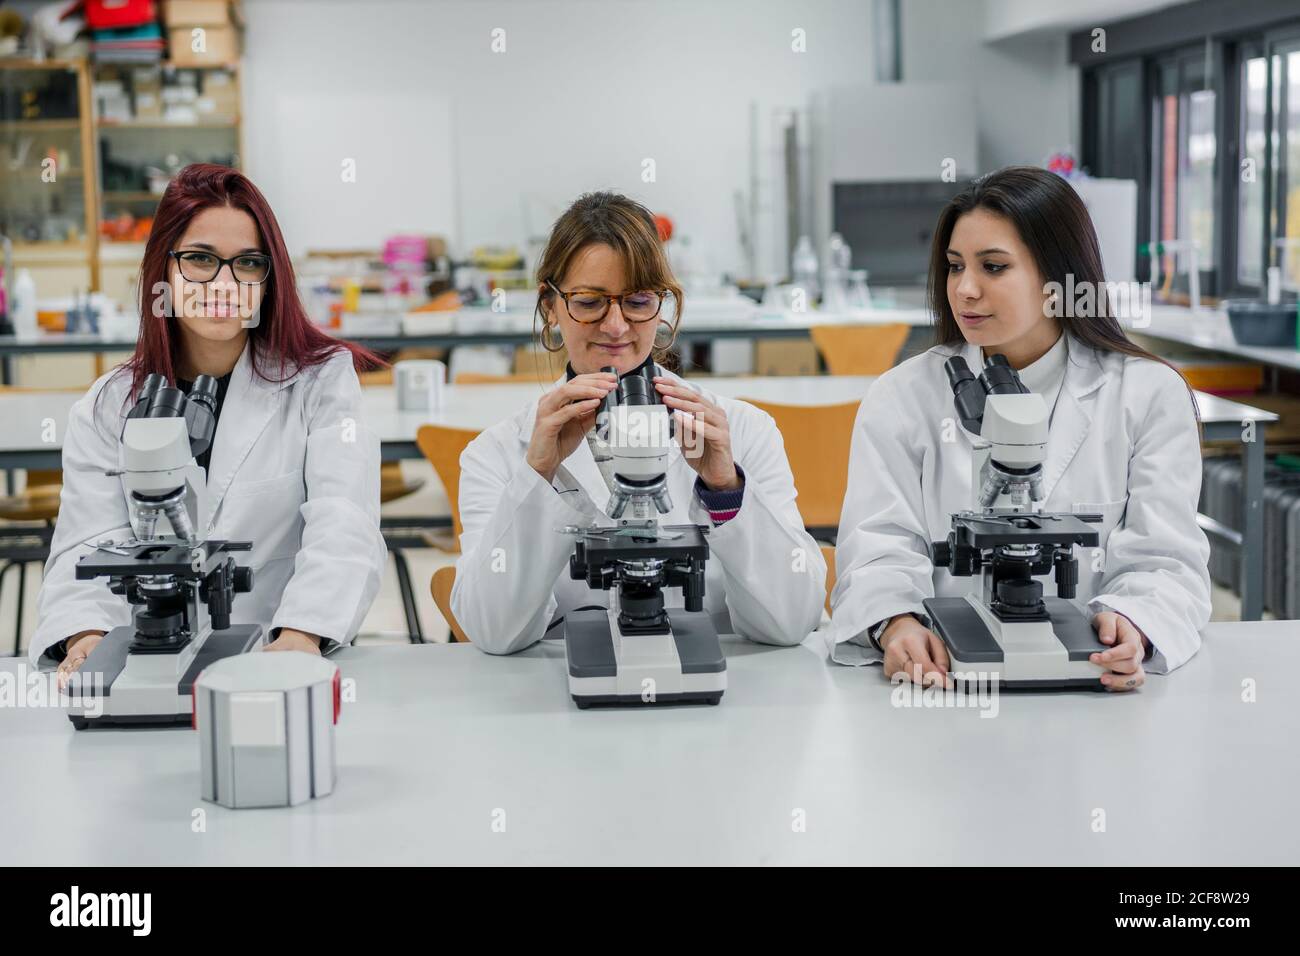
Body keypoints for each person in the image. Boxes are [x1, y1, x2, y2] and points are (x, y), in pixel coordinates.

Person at [830, 165, 1211, 691]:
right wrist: (896, 623)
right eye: (955, 266)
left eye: (993, 267)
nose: (965, 289)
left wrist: (1137, 623)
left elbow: (1166, 559)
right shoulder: (902, 396)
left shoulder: (1148, 395)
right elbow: (878, 546)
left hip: (1091, 695)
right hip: (946, 689)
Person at [32, 163, 387, 681]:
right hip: (144, 663)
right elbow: (83, 547)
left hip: (273, 656)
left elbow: (343, 522)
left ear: (269, 279)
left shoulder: (321, 382)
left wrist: (301, 635)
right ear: (163, 272)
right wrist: (89, 640)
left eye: (247, 263)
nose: (225, 284)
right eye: (199, 259)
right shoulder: (108, 405)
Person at [452, 190, 826, 654]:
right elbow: (492, 631)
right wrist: (536, 477)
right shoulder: (499, 454)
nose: (615, 326)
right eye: (589, 302)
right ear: (549, 305)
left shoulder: (745, 432)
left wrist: (725, 490)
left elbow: (794, 620)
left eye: (638, 301)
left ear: (661, 303)